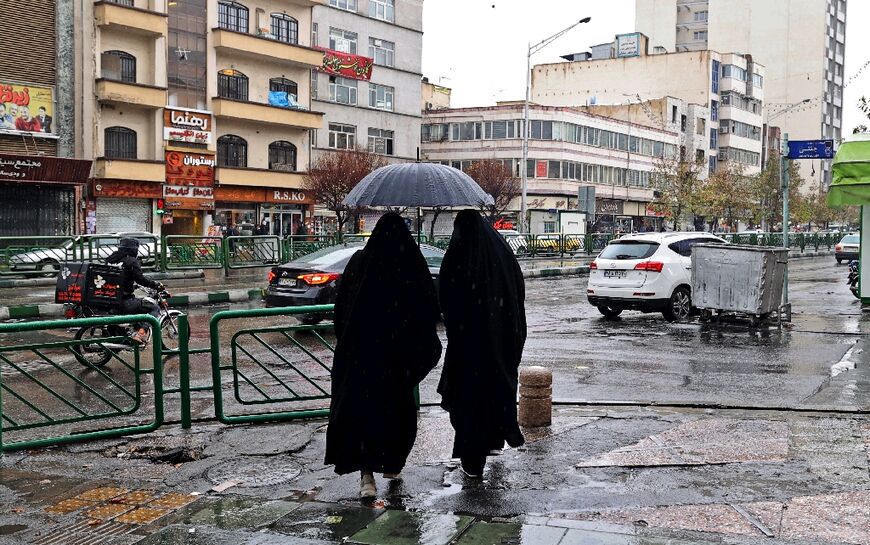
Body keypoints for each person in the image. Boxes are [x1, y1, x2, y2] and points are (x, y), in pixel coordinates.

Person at [325, 212, 442, 498]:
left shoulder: (360, 262)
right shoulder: (411, 263)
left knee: (364, 415)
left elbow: (342, 309)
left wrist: (351, 344)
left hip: (362, 357)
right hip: (397, 361)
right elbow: (428, 310)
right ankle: (393, 463)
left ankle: (367, 477)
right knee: (397, 414)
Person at [437, 210, 527, 478]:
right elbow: (517, 295)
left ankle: (472, 458)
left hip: (468, 348)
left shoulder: (459, 254)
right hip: (500, 345)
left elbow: (447, 297)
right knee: (494, 395)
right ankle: (492, 441)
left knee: (468, 404)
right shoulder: (501, 253)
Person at [105, 237, 164, 344]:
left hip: (109, 299)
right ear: (133, 249)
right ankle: (140, 334)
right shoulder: (132, 261)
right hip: (124, 301)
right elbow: (140, 279)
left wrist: (131, 286)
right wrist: (155, 285)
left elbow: (120, 279)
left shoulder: (111, 260)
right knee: (154, 307)